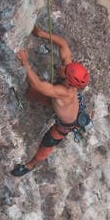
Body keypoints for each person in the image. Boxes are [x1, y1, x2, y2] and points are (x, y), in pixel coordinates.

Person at [12, 26, 91, 177]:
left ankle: (30, 165)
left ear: (68, 82)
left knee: (47, 145)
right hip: (65, 107)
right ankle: (49, 105)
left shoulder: (63, 92)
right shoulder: (69, 71)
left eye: (64, 70)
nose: (62, 67)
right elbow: (63, 44)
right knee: (30, 94)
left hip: (65, 124)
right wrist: (41, 34)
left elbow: (38, 85)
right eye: (66, 66)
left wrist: (25, 63)